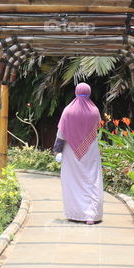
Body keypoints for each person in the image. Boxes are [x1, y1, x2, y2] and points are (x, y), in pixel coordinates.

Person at [52, 82, 104, 224]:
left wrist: (57, 150)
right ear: (89, 92)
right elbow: (97, 128)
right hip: (91, 150)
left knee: (73, 181)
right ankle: (92, 215)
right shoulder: (95, 111)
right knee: (92, 180)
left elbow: (61, 133)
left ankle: (77, 214)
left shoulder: (68, 111)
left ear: (76, 92)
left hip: (71, 151)